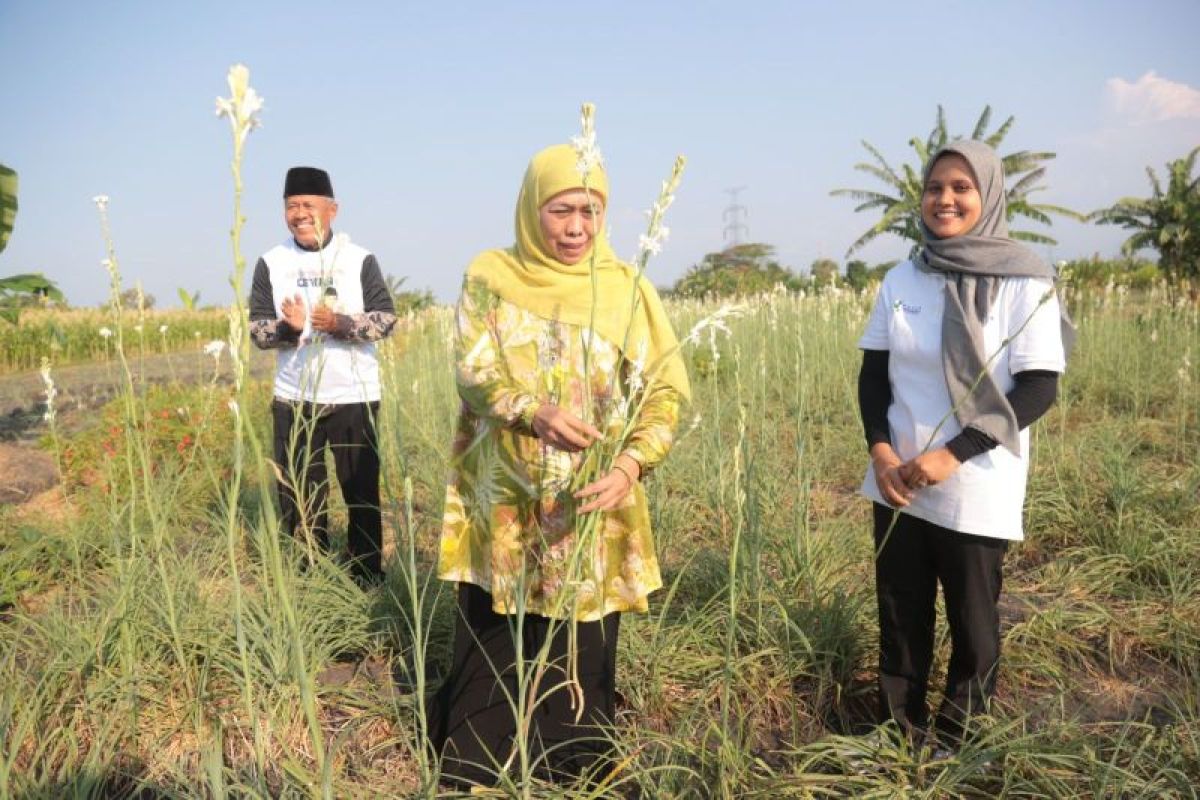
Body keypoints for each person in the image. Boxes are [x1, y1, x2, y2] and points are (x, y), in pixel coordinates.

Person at [432, 144, 690, 787]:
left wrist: (631, 464)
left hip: (591, 499)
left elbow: (665, 391)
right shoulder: (489, 275)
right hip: (505, 498)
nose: (577, 227)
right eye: (561, 210)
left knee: (583, 635)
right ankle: (477, 762)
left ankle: (573, 762)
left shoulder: (626, 288)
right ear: (531, 208)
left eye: (591, 210)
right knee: (497, 625)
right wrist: (532, 411)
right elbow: (472, 371)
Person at [856, 140, 1070, 749]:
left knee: (973, 620)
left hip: (975, 479)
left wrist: (954, 453)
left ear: (989, 194)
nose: (944, 199)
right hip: (897, 479)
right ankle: (898, 729)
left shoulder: (1025, 279)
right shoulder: (904, 275)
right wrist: (882, 451)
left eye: (960, 188)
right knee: (900, 611)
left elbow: (1037, 388)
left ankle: (961, 734)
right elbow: (874, 375)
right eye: (934, 188)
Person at [249, 166, 397, 585]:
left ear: (332, 210)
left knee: (360, 492)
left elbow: (385, 319)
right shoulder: (271, 263)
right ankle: (305, 576)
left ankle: (366, 578)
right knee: (299, 495)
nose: (300, 214)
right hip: (293, 398)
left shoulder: (359, 259)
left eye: (308, 205)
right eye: (292, 206)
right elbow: (258, 330)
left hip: (354, 395)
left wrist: (339, 323)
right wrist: (287, 330)